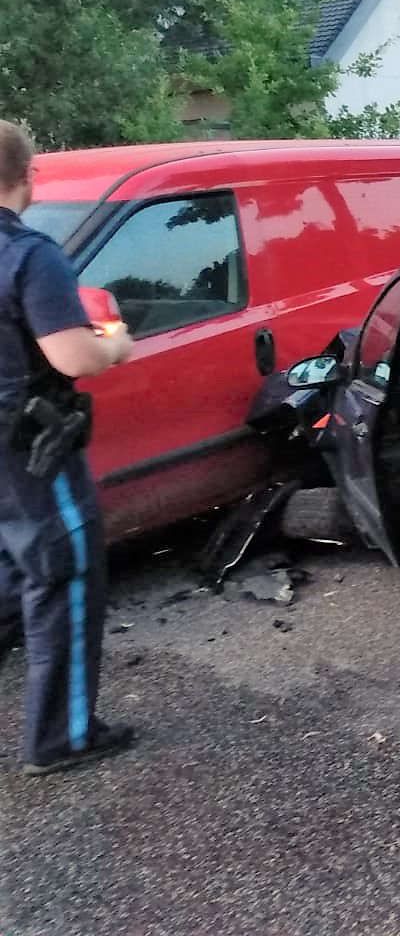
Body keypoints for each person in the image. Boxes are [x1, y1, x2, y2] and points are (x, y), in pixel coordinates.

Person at [0, 120, 134, 775]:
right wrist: (115, 339)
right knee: (65, 575)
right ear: (29, 176)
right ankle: (63, 737)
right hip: (31, 453)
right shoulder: (30, 256)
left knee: (15, 570)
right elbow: (74, 355)